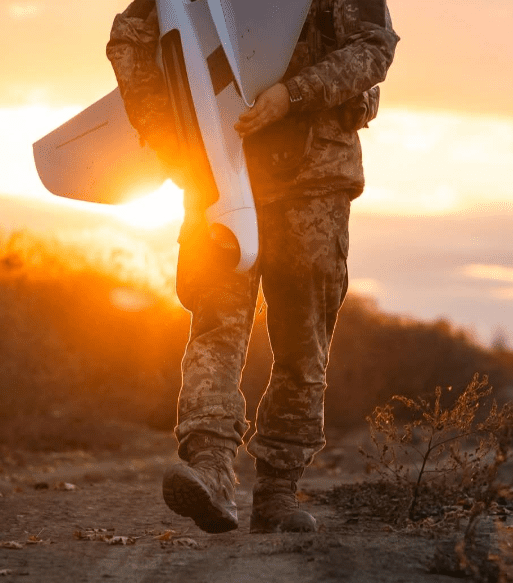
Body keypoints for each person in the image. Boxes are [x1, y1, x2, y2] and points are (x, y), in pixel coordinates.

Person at [107, 0, 399, 533]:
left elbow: (373, 48)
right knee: (217, 325)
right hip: (218, 171)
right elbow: (131, 35)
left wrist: (292, 95)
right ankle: (211, 470)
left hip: (314, 179)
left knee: (302, 342)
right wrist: (169, 135)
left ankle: (277, 492)